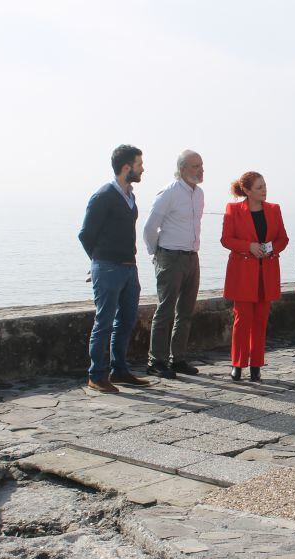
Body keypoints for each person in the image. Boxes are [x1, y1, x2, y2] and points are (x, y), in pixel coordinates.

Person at [77, 144, 151, 393]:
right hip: (108, 267)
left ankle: (119, 370)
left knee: (127, 320)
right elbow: (86, 234)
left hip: (129, 268)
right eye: (139, 164)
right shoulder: (104, 196)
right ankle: (97, 374)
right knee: (104, 321)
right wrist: (98, 262)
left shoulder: (130, 196)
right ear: (127, 167)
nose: (143, 169)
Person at [220, 172, 289, 382]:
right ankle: (238, 364)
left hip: (266, 273)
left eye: (265, 185)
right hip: (242, 275)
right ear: (248, 191)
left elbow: (283, 239)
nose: (264, 190)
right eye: (259, 187)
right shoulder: (233, 209)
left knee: (260, 320)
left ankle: (256, 365)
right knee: (242, 320)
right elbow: (226, 239)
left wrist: (269, 249)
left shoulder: (274, 209)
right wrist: (248, 246)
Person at [143, 149, 205, 379]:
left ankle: (177, 358)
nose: (200, 170)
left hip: (192, 257)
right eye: (195, 166)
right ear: (182, 169)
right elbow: (149, 228)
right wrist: (156, 254)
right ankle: (156, 360)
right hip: (170, 256)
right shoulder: (168, 193)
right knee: (166, 309)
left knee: (186, 311)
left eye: (201, 165)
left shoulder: (199, 194)